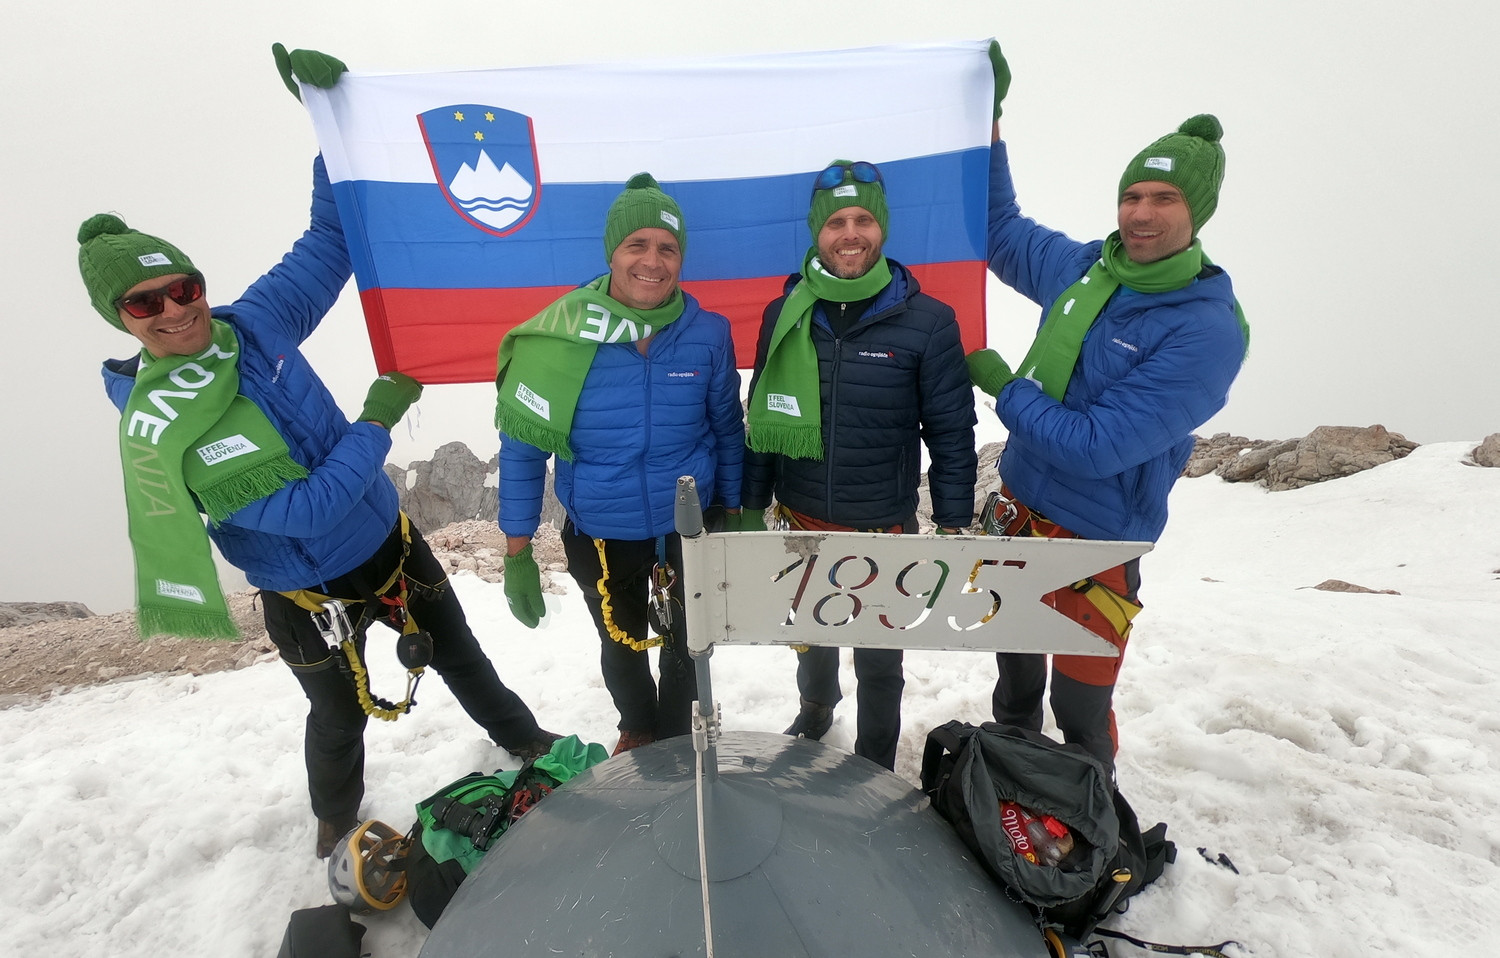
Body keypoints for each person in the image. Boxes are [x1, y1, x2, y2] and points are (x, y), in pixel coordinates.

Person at [82, 46, 557, 859]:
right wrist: (376, 422)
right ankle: (335, 822)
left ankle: (532, 746)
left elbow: (329, 240)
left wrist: (329, 125)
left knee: (466, 662)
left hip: (386, 545)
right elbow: (307, 507)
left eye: (183, 286)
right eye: (144, 302)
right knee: (337, 717)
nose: (174, 309)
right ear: (119, 316)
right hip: (303, 589)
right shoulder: (167, 426)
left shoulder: (251, 324)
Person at [969, 42, 1249, 768]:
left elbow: (1098, 446)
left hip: (1098, 544)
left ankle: (1087, 826)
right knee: (1015, 688)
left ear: (1199, 211)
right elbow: (999, 234)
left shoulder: (1206, 327)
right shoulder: (1085, 269)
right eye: (1132, 196)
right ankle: (1011, 804)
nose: (1142, 213)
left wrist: (1007, 389)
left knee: (1081, 711)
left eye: (1164, 199)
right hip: (1020, 516)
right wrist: (987, 120)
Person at [740, 159, 978, 771]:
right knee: (809, 636)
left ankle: (875, 762)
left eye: (863, 220)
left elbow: (951, 432)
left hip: (883, 524)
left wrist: (953, 525)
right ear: (817, 233)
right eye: (837, 222)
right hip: (800, 519)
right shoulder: (785, 312)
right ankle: (817, 707)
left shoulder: (928, 321)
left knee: (879, 658)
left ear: (883, 228)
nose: (851, 234)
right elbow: (762, 415)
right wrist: (747, 505)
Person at [495, 173, 744, 756]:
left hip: (689, 525)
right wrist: (517, 550)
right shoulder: (558, 337)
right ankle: (637, 724)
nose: (652, 262)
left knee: (689, 641)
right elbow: (523, 446)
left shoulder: (708, 333)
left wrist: (736, 509)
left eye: (667, 248)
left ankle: (679, 735)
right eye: (638, 245)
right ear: (612, 252)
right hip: (602, 529)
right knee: (621, 640)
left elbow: (728, 428)